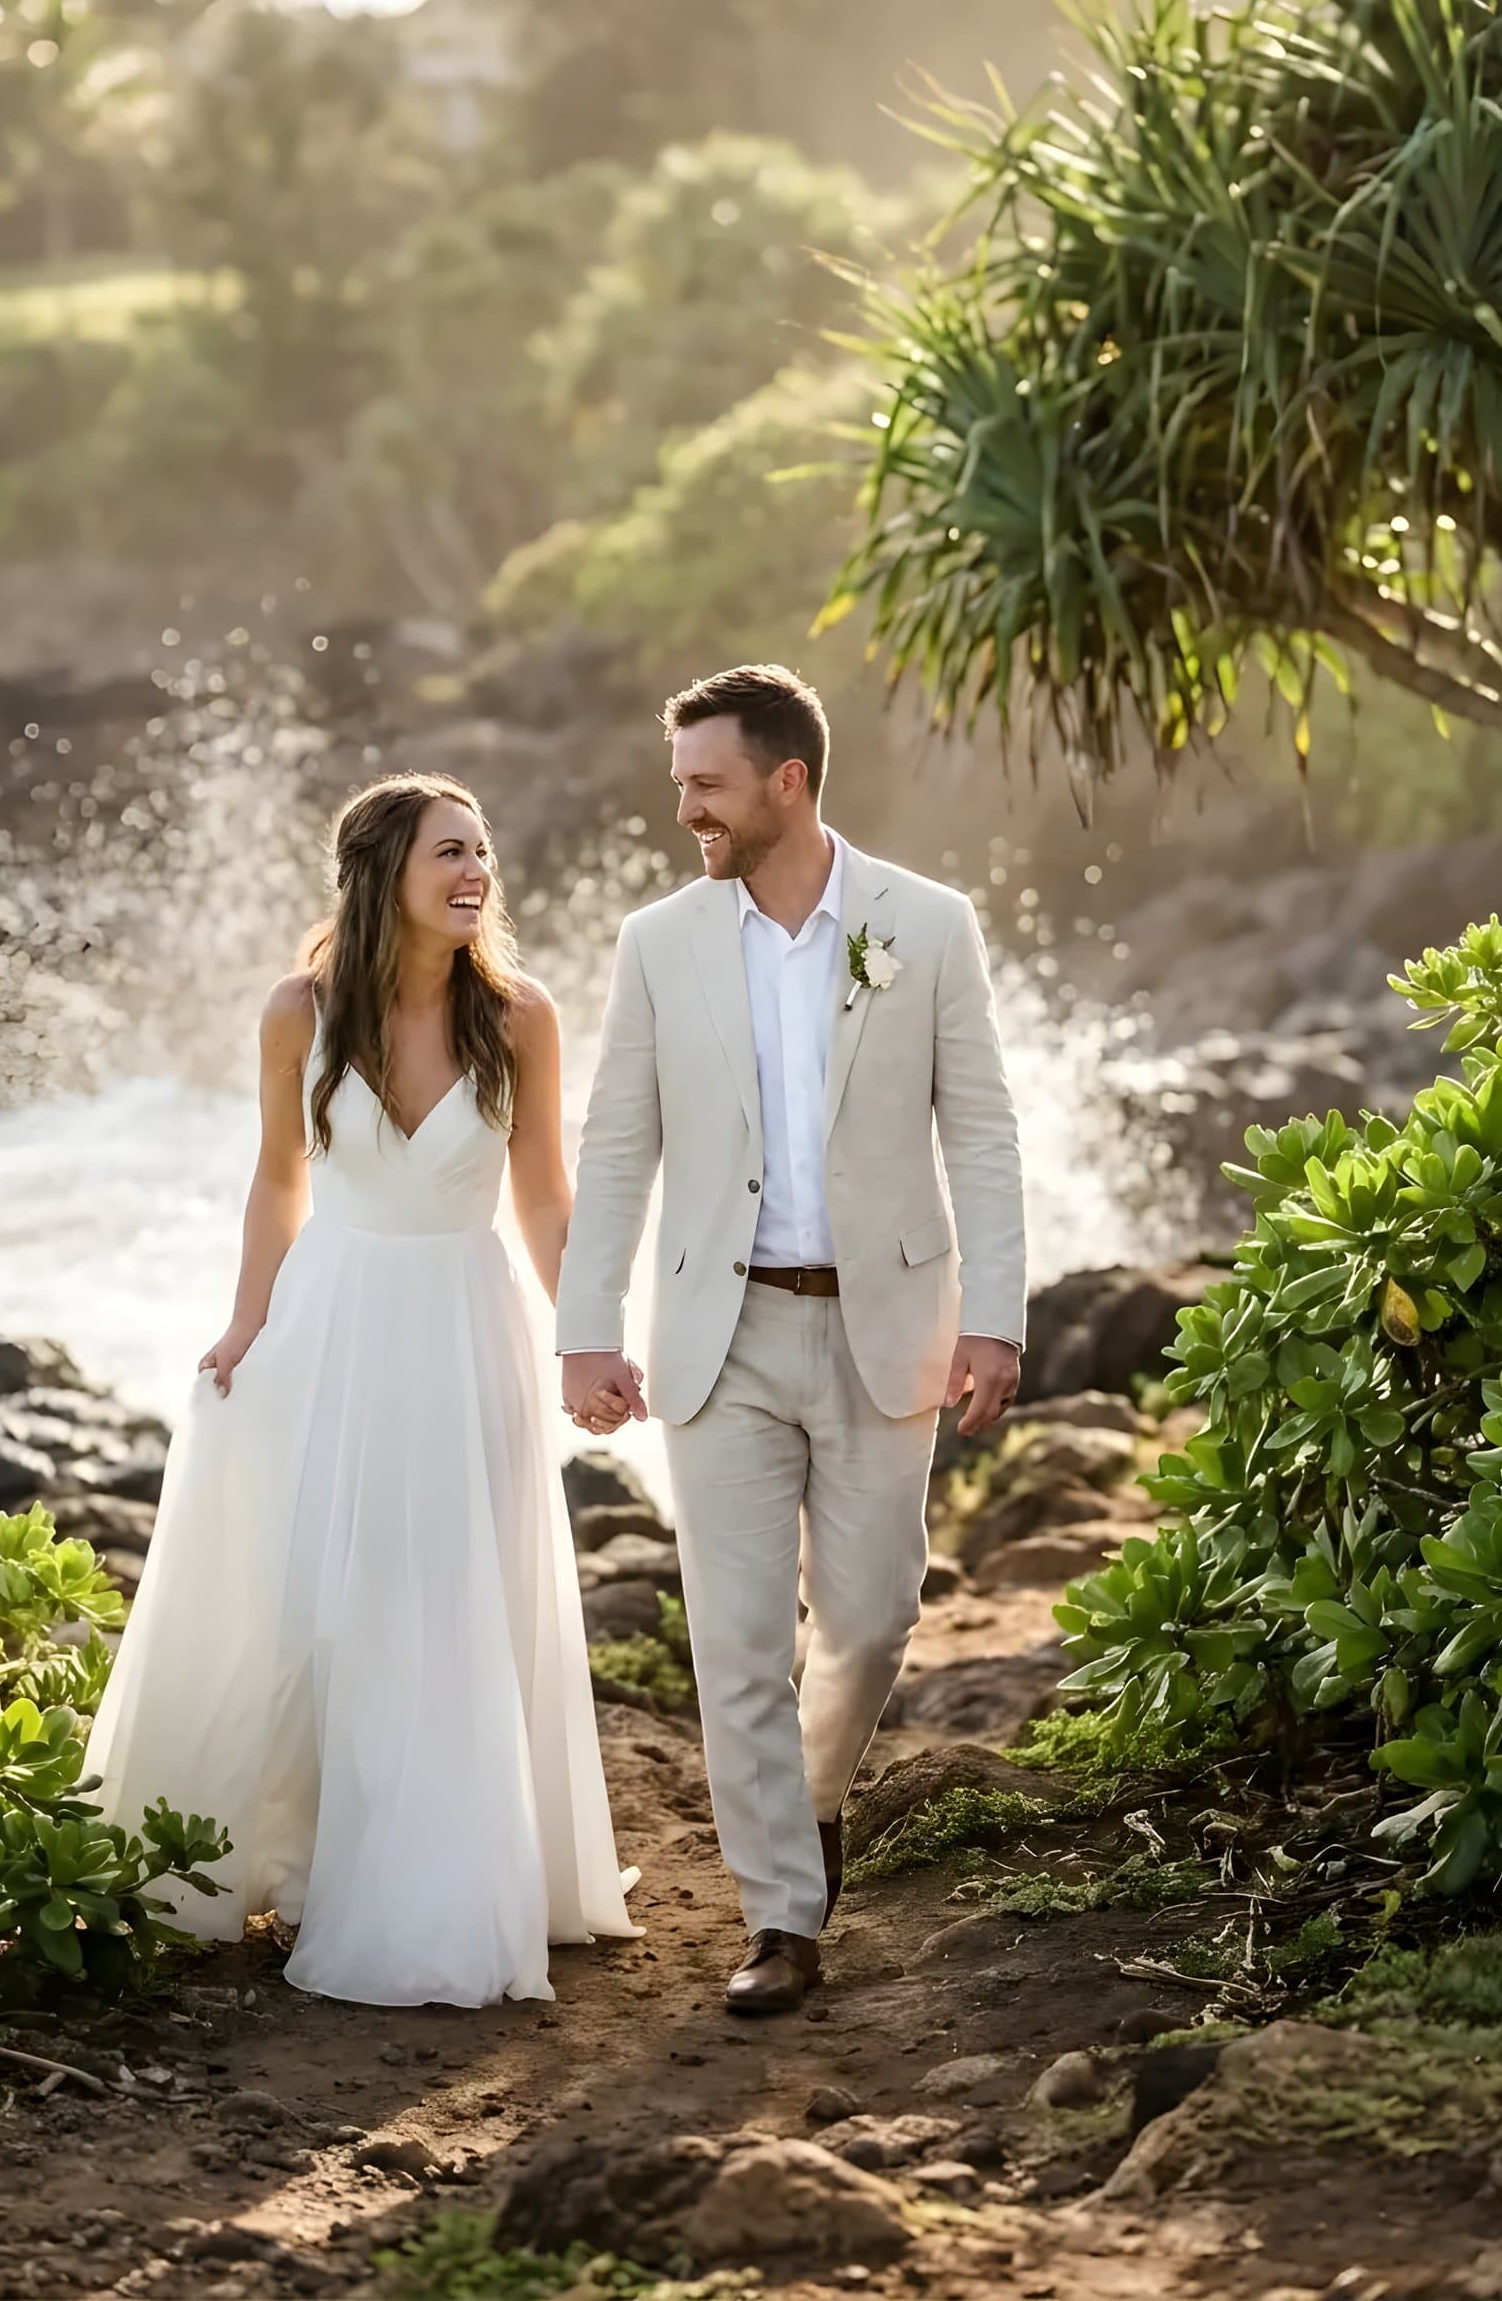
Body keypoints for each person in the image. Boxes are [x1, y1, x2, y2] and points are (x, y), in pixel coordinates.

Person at [84, 772, 640, 2008]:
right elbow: (279, 1181)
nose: (475, 873)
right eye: (450, 851)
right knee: (331, 1602)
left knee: (450, 1594)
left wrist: (587, 1337)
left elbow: (544, 1195)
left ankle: (445, 1884)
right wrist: (245, 1323)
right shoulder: (301, 1012)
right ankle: (318, 1851)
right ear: (382, 871)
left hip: (463, 1324)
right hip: (334, 1324)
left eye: (483, 850)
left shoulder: (522, 1016)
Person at [558, 665, 1025, 2015]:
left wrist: (995, 1311)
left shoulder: (927, 925)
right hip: (722, 1327)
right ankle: (782, 1914)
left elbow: (982, 1131)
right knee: (740, 1637)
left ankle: (815, 1797)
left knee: (874, 1617)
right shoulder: (659, 941)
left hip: (890, 1320)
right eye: (679, 780)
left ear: (787, 783)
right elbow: (620, 1138)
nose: (684, 805)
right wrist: (588, 1328)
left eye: (705, 782)